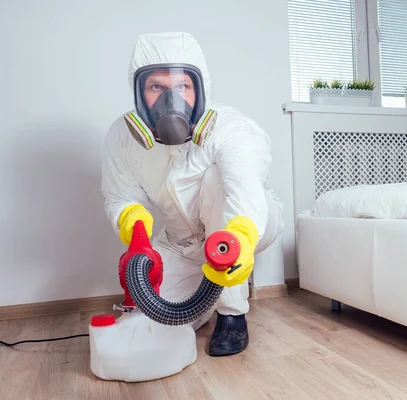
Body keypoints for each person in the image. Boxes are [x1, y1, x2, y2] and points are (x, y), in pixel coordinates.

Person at [100, 32, 284, 357]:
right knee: (155, 317)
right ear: (139, 91)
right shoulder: (122, 138)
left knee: (216, 178)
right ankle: (205, 297)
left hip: (246, 224)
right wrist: (138, 236)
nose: (170, 100)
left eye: (182, 87)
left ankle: (232, 313)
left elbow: (245, 189)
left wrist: (240, 235)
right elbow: (121, 197)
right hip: (182, 243)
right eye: (156, 87)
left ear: (199, 89)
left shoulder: (231, 128)